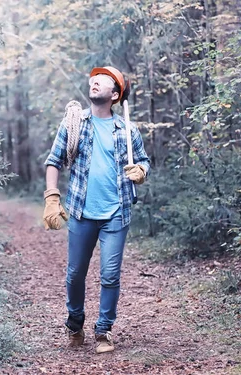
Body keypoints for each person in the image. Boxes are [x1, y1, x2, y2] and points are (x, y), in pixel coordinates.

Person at [42, 66, 150, 354]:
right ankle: (75, 323)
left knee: (110, 275)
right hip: (81, 212)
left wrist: (141, 170)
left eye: (103, 80)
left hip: (116, 213)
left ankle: (104, 330)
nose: (95, 81)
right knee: (75, 274)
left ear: (115, 94)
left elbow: (143, 160)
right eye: (93, 78)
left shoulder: (128, 130)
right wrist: (52, 195)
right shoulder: (74, 124)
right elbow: (54, 161)